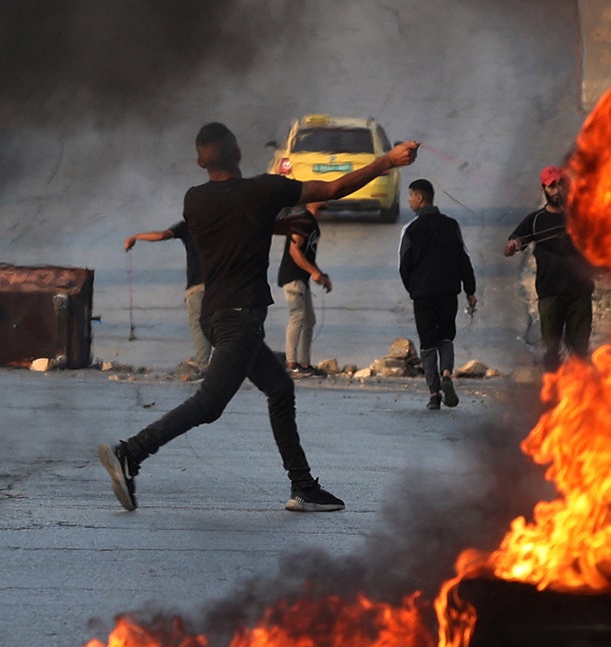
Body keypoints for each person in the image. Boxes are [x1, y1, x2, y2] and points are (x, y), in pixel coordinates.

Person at [99, 122, 419, 512]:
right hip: (239, 318)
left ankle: (303, 486)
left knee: (281, 389)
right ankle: (131, 452)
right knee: (209, 404)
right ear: (238, 153)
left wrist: (276, 222)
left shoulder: (195, 199)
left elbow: (238, 223)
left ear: (200, 162)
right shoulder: (264, 190)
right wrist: (387, 160)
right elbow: (334, 189)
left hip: (214, 316)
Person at [503, 166, 595, 372]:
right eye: (552, 186)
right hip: (550, 296)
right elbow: (511, 246)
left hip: (580, 293)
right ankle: (553, 391)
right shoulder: (535, 221)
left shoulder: (580, 216)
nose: (557, 190)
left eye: (561, 184)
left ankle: (579, 393)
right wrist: (513, 245)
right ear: (543, 189)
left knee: (579, 350)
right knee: (552, 351)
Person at [398, 179, 477, 410]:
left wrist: (414, 289)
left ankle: (434, 394)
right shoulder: (451, 225)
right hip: (448, 292)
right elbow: (464, 259)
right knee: (445, 337)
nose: (409, 200)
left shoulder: (410, 229)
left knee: (427, 344)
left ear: (420, 198)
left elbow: (404, 266)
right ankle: (446, 374)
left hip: (422, 295)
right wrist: (470, 290)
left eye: (411, 195)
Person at [124, 220, 211, 369]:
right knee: (224, 324)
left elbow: (161, 235)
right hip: (223, 285)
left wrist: (135, 237)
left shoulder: (190, 224)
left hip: (198, 287)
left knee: (198, 324)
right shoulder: (223, 222)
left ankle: (202, 362)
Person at [276, 201, 331, 378]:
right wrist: (313, 272)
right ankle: (291, 364)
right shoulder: (303, 221)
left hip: (302, 278)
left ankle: (304, 363)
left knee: (309, 320)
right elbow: (295, 251)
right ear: (312, 202)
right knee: (298, 317)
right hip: (292, 277)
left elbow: (308, 254)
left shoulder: (312, 223)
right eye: (322, 196)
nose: (327, 199)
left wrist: (320, 275)